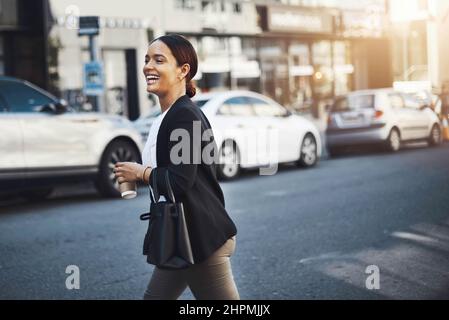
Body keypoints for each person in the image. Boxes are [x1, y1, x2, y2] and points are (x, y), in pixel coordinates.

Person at [113, 34, 240, 300]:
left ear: (183, 70)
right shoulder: (169, 115)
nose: (148, 66)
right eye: (147, 59)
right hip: (179, 235)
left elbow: (180, 181)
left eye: (159, 60)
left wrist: (140, 173)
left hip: (200, 238)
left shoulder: (185, 115)